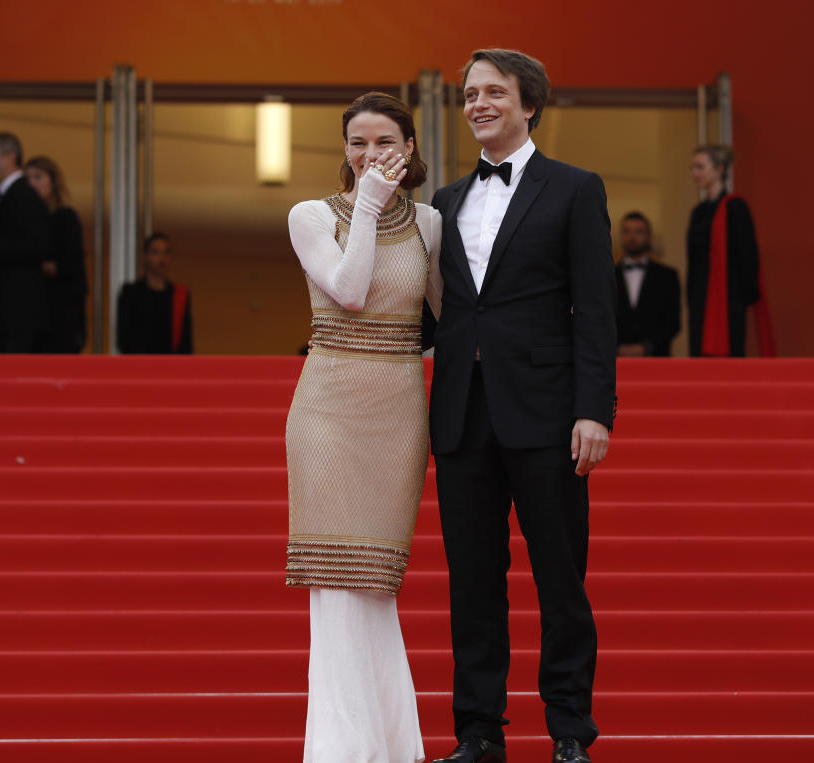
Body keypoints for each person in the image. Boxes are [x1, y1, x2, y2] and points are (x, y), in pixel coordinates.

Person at [427, 49, 616, 763]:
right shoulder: (444, 202)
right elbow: (440, 314)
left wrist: (594, 409)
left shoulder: (574, 189)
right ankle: (478, 731)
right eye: (470, 93)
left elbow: (594, 310)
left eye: (494, 92)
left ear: (528, 102)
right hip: (461, 415)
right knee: (473, 582)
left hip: (546, 412)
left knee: (560, 578)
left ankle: (569, 731)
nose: (478, 103)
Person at [285, 92, 442, 762]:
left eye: (384, 142)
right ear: (344, 150)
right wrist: (370, 208)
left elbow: (456, 319)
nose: (370, 154)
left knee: (376, 578)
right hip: (327, 402)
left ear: (407, 148)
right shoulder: (311, 214)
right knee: (335, 576)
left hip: (398, 408)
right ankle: (343, 748)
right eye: (358, 142)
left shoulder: (432, 223)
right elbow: (348, 291)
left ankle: (393, 744)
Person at [687, 144, 773, 356]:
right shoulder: (698, 211)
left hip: (728, 299)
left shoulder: (736, 207)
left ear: (720, 169)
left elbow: (748, 260)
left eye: (700, 167)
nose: (694, 173)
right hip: (701, 298)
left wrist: (736, 300)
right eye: (693, 167)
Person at [0, 131, 50, 352]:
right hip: (7, 310)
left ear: (10, 156)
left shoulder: (23, 196)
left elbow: (37, 244)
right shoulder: (5, 196)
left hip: (17, 310)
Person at [25, 155, 88, 353]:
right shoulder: (27, 221)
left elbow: (71, 264)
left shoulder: (65, 218)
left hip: (60, 313)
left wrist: (32, 266)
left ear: (53, 182)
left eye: (38, 177)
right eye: (27, 179)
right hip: (34, 313)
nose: (32, 184)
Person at [615, 211, 680, 357]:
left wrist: (647, 347)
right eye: (626, 231)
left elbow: (673, 322)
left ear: (649, 236)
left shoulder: (667, 276)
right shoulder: (607, 276)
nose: (632, 237)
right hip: (614, 362)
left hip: (657, 360)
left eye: (638, 231)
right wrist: (616, 347)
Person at [116, 233, 193, 354]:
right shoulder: (131, 293)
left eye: (166, 253)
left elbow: (186, 343)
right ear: (145, 256)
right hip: (139, 365)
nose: (162, 258)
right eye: (155, 252)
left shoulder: (179, 295)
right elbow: (124, 338)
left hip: (171, 366)